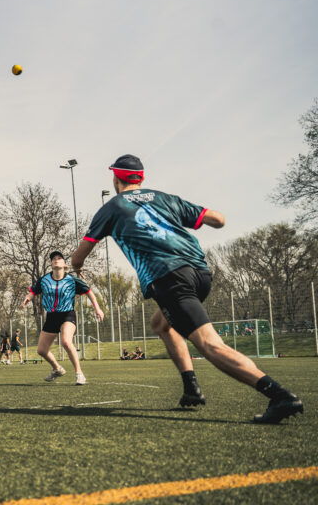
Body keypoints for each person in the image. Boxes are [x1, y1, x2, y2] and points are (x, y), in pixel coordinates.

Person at [69, 154, 303, 423]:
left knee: (210, 345)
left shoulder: (112, 208)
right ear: (141, 178)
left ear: (115, 178)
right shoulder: (165, 198)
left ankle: (279, 395)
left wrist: (78, 269)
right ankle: (191, 389)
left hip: (169, 279)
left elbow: (78, 257)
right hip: (200, 273)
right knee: (162, 323)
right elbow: (218, 219)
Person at [22, 251, 104, 385]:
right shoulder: (44, 279)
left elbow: (89, 292)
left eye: (59, 258)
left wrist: (97, 308)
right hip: (52, 316)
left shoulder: (72, 280)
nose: (56, 260)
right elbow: (34, 290)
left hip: (67, 314)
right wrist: (28, 298)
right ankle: (57, 369)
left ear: (64, 264)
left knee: (66, 341)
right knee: (41, 350)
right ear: (51, 264)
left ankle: (79, 373)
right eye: (53, 259)